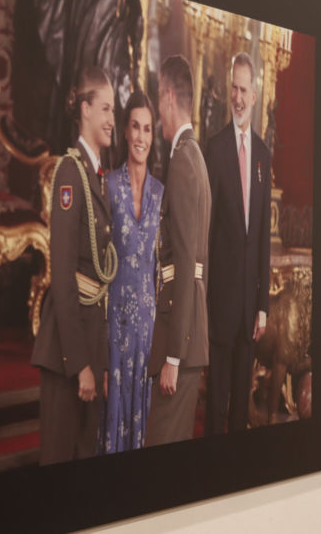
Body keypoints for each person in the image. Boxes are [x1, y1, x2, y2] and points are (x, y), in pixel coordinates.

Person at [31, 65, 117, 464]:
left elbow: (98, 283)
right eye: (104, 109)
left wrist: (96, 361)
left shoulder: (96, 176)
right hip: (67, 353)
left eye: (113, 110)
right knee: (59, 461)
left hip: (88, 345)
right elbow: (63, 278)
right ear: (84, 110)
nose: (111, 120)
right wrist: (80, 363)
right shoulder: (71, 173)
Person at [144, 55, 211, 447]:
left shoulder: (183, 162)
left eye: (158, 99)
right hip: (189, 337)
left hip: (179, 345)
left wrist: (173, 356)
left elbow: (185, 265)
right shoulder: (195, 157)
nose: (158, 112)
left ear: (168, 96)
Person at [205, 52, 271, 435]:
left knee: (239, 412)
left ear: (255, 94)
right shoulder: (213, 150)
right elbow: (209, 231)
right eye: (234, 88)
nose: (238, 98)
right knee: (215, 407)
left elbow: (261, 237)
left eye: (244, 90)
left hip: (250, 314)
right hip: (219, 307)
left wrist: (262, 306)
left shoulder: (263, 155)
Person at [99, 91, 164, 453]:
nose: (141, 137)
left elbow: (164, 267)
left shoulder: (160, 193)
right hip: (115, 321)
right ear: (125, 132)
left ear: (153, 137)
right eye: (136, 128)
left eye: (148, 130)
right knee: (112, 416)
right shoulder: (108, 186)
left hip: (148, 326)